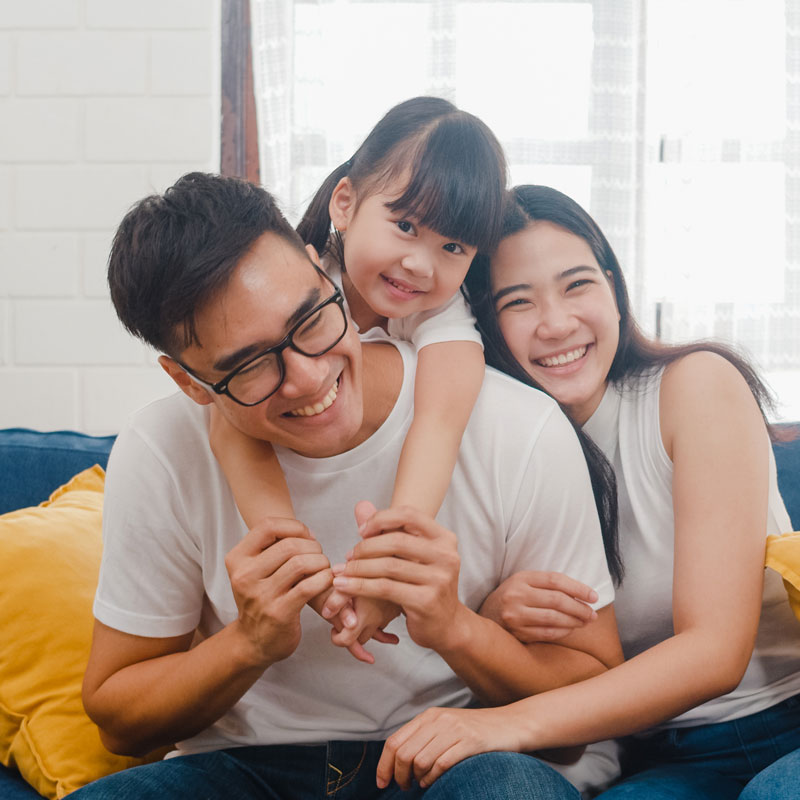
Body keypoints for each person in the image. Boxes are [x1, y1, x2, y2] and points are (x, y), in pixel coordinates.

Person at [71, 173, 623, 799]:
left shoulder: (516, 427)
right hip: (243, 769)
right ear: (191, 384)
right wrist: (246, 645)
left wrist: (452, 626)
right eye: (250, 367)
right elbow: (118, 720)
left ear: (322, 272)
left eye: (310, 320)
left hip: (450, 758)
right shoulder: (160, 449)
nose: (308, 379)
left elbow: (587, 705)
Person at [369, 185, 800, 799]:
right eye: (518, 302)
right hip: (655, 756)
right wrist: (494, 619)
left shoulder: (693, 387)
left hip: (786, 722)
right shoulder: (496, 449)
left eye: (577, 285)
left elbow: (715, 651)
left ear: (613, 288)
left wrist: (500, 725)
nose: (557, 323)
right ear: (486, 327)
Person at [209, 97, 508, 661]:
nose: (421, 264)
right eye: (405, 225)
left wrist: (389, 567)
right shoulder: (299, 284)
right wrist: (310, 580)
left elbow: (441, 420)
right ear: (344, 204)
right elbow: (231, 429)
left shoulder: (442, 313)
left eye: (453, 247)